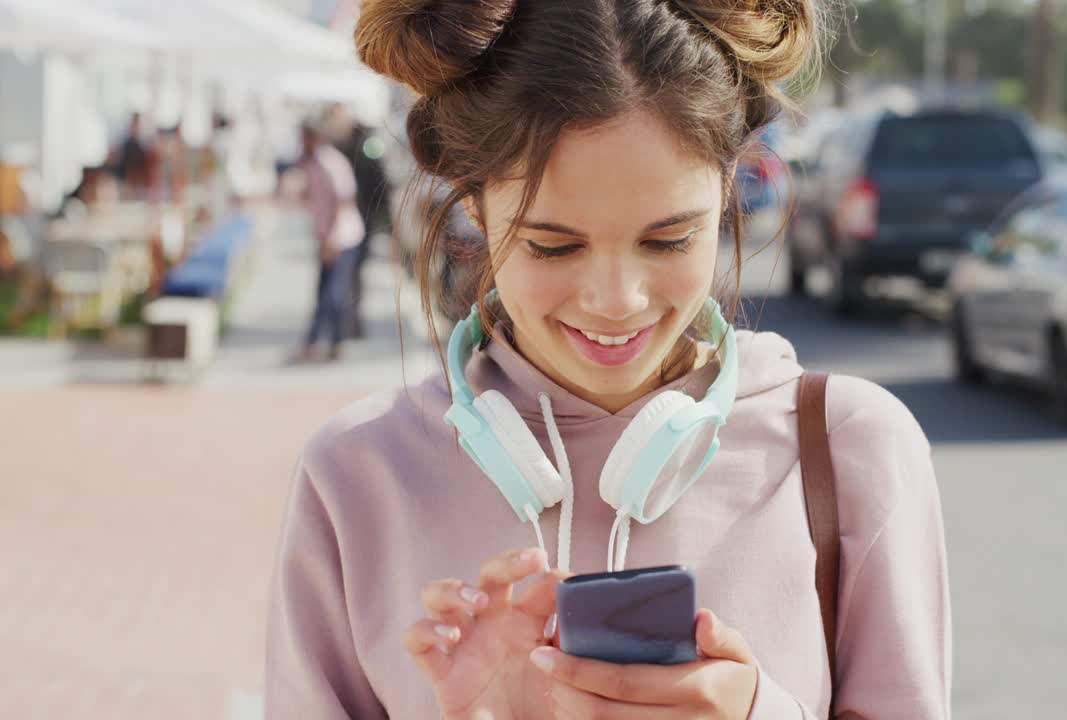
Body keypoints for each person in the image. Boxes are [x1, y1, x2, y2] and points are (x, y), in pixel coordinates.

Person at [266, 1, 951, 718]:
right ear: (474, 202)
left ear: (727, 189)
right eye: (553, 246)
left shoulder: (849, 450)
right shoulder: (354, 480)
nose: (617, 301)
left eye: (669, 240)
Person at [290, 122, 365, 364]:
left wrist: (331, 239)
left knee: (334, 292)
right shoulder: (311, 163)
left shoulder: (329, 162)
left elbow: (343, 201)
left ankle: (334, 342)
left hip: (341, 237)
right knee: (323, 291)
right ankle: (316, 341)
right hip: (327, 238)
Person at [336, 122, 393, 339]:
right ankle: (352, 321)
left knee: (346, 274)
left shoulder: (343, 153)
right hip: (362, 222)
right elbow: (382, 190)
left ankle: (347, 321)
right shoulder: (368, 156)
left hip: (349, 223)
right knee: (354, 275)